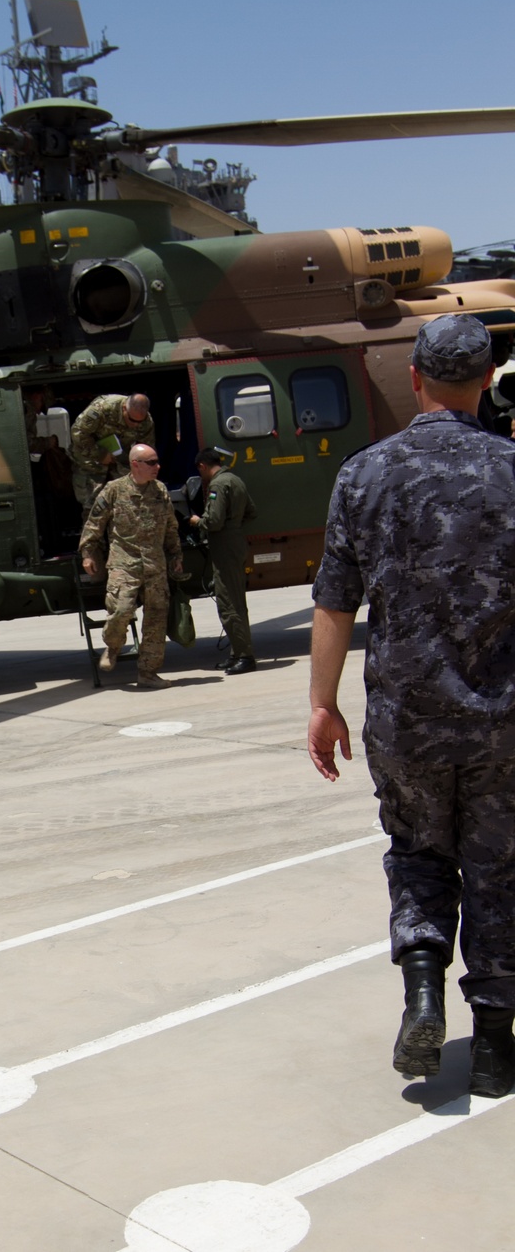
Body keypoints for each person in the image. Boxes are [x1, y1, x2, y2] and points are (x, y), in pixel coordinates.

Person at [307, 312, 515, 1099]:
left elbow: (334, 604)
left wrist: (323, 705)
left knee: (421, 857)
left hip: (405, 721)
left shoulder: (363, 475)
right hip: (504, 722)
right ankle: (495, 1045)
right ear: (487, 381)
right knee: (502, 870)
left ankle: (423, 991)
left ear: (416, 379)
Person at [79, 443, 185, 689]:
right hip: (123, 563)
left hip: (155, 564)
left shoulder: (160, 491)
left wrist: (176, 555)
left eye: (157, 462)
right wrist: (88, 553)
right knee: (121, 610)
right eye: (151, 463)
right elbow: (95, 523)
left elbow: (171, 527)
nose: (157, 467)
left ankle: (148, 673)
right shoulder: (114, 491)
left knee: (156, 620)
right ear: (135, 464)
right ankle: (113, 646)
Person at [189, 449, 257, 674]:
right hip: (235, 543)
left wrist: (198, 521)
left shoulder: (217, 486)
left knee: (229, 603)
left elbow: (214, 521)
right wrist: (234, 526)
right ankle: (237, 653)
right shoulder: (235, 480)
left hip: (225, 547)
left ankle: (245, 656)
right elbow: (251, 513)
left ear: (202, 466)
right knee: (235, 600)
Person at [70, 392, 155, 518]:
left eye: (139, 421)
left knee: (126, 505)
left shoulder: (146, 422)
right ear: (125, 408)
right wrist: (100, 454)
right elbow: (78, 433)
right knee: (94, 508)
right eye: (132, 420)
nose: (135, 425)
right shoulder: (102, 408)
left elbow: (147, 450)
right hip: (90, 462)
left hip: (118, 463)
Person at [23, 385, 59, 455]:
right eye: (42, 406)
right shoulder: (28, 411)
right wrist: (49, 443)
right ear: (37, 396)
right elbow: (26, 445)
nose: (39, 412)